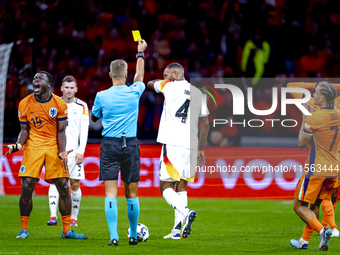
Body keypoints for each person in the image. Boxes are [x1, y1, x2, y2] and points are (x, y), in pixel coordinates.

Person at [4, 71, 87, 239]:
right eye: (35, 78)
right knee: (27, 186)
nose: (36, 80)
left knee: (64, 186)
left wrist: (62, 151)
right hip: (33, 146)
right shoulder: (25, 103)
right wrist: (18, 145)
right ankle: (24, 229)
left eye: (40, 78)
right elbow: (24, 130)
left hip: (53, 146)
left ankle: (67, 231)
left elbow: (61, 131)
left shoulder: (59, 104)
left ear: (48, 84)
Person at [91, 39, 147, 246]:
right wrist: (140, 53)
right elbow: (140, 76)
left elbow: (95, 117)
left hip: (109, 145)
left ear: (109, 75)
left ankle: (114, 237)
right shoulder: (134, 92)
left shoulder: (101, 95)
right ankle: (133, 234)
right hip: (130, 145)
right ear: (125, 75)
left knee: (110, 193)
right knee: (131, 192)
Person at [147, 63, 209, 239]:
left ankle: (186, 211)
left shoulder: (169, 85)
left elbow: (150, 83)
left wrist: (163, 80)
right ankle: (176, 230)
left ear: (175, 73)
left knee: (165, 186)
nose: (164, 77)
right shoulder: (198, 93)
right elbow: (204, 124)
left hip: (172, 143)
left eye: (166, 74)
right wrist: (201, 149)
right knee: (182, 185)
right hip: (191, 144)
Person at [290, 81, 340, 251]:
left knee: (299, 206)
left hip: (316, 168)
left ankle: (322, 230)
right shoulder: (339, 113)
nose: (313, 96)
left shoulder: (314, 118)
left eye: (316, 93)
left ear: (323, 97)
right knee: (315, 206)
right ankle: (304, 241)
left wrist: (305, 119)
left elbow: (301, 143)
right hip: (334, 169)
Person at [47, 75, 89, 227]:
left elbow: (84, 131)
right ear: (62, 88)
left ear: (76, 89)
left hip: (74, 152)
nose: (69, 90)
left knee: (75, 184)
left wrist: (81, 151)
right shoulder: (53, 104)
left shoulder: (82, 106)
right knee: (54, 181)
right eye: (67, 87)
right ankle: (52, 216)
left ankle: (74, 218)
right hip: (57, 151)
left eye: (72, 88)